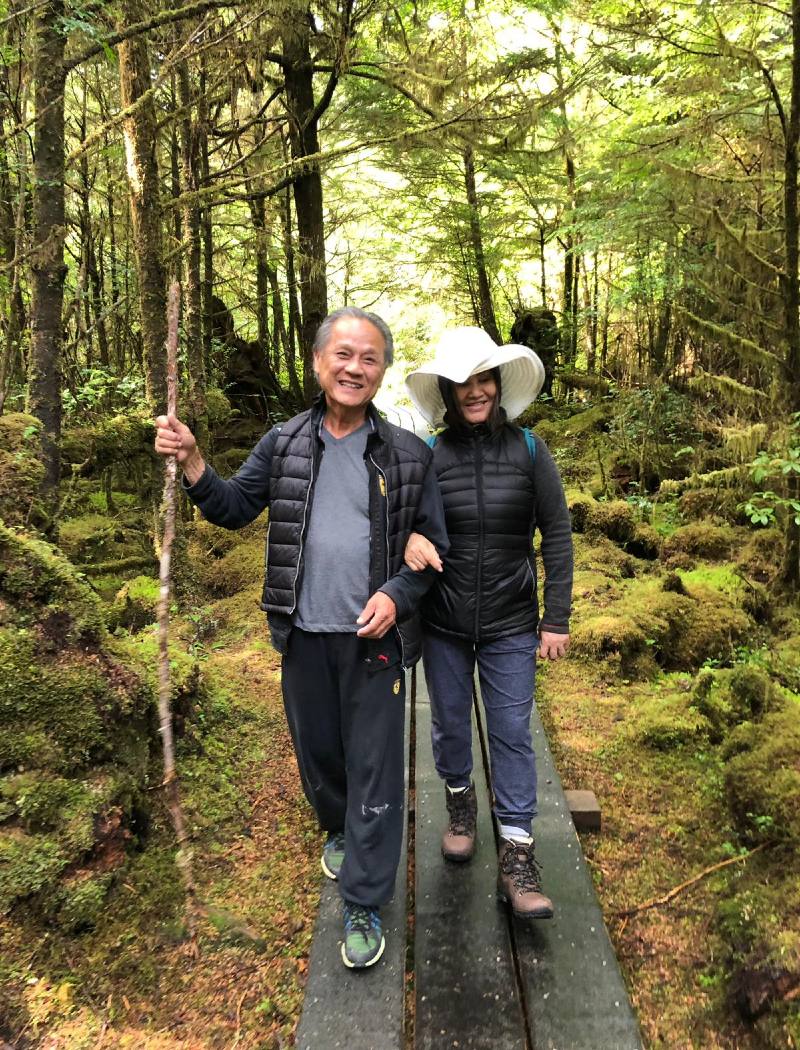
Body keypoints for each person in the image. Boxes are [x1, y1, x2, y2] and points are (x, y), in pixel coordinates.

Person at [155, 307, 448, 968]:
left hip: (375, 642)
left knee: (375, 768)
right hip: (301, 632)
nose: (354, 368)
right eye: (342, 355)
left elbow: (432, 552)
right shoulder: (284, 443)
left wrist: (395, 596)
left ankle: (365, 899)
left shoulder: (405, 455)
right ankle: (340, 826)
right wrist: (197, 461)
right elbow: (232, 509)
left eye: (369, 358)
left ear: (382, 372)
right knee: (322, 759)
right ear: (318, 364)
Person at [403, 326, 573, 919]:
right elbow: (405, 525)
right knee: (449, 725)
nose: (474, 391)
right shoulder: (428, 456)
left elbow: (556, 532)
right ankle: (458, 802)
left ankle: (519, 855)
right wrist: (412, 541)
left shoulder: (531, 450)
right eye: (462, 383)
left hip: (511, 623)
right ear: (448, 395)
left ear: (498, 384)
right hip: (444, 623)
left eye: (483, 378)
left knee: (510, 733)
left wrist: (557, 619)